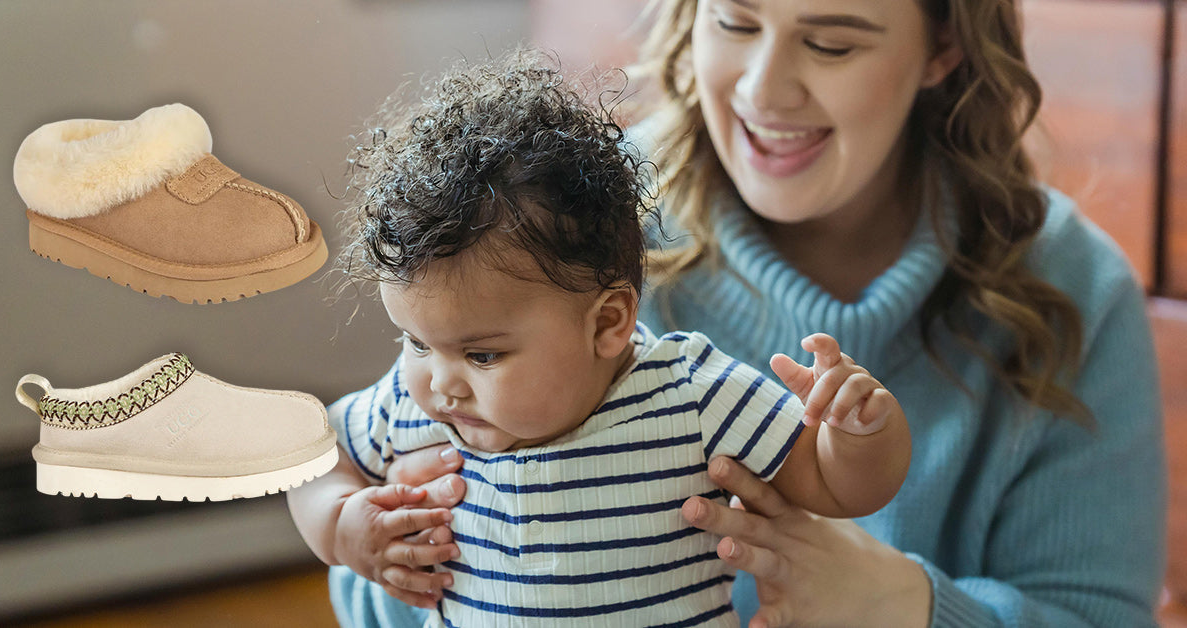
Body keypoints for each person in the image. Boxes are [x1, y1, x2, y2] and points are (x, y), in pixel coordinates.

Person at [322, 0, 1167, 626]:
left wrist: (905, 606)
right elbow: (358, 524)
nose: (766, 90)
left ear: (944, 44)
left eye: (832, 41)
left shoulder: (1072, 288)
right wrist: (413, 551)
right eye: (733, 21)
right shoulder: (557, 229)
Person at [287, 51, 913, 627]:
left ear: (608, 323)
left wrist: (858, 432)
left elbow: (837, 488)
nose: (440, 383)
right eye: (416, 343)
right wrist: (342, 526)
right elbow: (314, 458)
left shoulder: (689, 395)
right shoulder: (409, 402)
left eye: (483, 355)